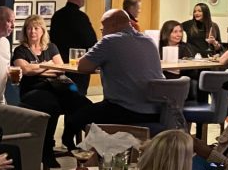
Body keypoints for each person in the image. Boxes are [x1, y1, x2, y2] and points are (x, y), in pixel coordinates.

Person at [68, 9, 165, 137]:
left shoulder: (109, 41)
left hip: (125, 110)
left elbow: (83, 66)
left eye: (103, 27)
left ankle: (100, 147)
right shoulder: (149, 41)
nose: (102, 31)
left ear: (113, 25)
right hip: (156, 110)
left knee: (76, 118)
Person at [11, 15, 89, 165]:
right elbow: (26, 70)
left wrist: (38, 69)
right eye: (29, 28)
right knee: (52, 107)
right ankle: (47, 148)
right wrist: (47, 65)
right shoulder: (20, 50)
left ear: (42, 30)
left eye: (36, 28)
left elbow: (60, 69)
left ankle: (68, 136)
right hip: (33, 89)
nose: (32, 31)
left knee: (81, 101)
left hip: (58, 86)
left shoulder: (51, 47)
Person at [48, 0, 98, 96]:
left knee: (64, 95)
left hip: (60, 63)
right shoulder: (80, 17)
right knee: (78, 96)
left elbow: (52, 39)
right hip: (78, 65)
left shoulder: (57, 15)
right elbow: (91, 40)